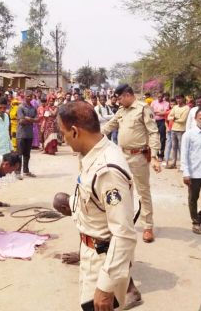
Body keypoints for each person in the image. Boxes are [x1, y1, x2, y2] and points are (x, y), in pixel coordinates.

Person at [57, 101, 137, 310]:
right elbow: (94, 201)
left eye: (63, 133)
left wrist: (106, 285)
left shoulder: (107, 169)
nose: (63, 140)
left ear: (75, 131)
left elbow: (124, 233)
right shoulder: (93, 154)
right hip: (91, 252)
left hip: (102, 260)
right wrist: (71, 204)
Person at [101, 84, 161, 243]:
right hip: (123, 156)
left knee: (143, 192)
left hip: (139, 156)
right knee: (122, 190)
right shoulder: (121, 111)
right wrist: (91, 136)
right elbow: (108, 126)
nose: (118, 101)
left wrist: (154, 156)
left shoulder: (143, 108)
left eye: (120, 98)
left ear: (128, 95)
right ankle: (124, 223)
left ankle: (147, 226)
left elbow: (153, 132)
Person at [17, 90, 38, 178]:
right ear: (24, 97)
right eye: (28, 96)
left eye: (31, 96)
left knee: (27, 154)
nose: (29, 98)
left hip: (29, 134)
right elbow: (21, 121)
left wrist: (28, 118)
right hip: (21, 133)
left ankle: (26, 171)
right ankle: (18, 172)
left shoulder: (33, 108)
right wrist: (31, 120)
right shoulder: (21, 107)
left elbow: (37, 119)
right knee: (19, 154)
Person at [166, 95, 190, 169]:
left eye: (180, 98)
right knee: (174, 147)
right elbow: (168, 117)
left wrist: (173, 119)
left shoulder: (186, 108)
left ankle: (183, 165)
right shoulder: (175, 107)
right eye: (177, 99)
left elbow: (183, 120)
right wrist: (174, 118)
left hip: (182, 130)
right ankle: (173, 163)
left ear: (183, 99)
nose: (178, 100)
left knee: (181, 148)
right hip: (173, 129)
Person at [150, 92, 170, 160]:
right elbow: (151, 111)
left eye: (161, 97)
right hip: (154, 122)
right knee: (155, 138)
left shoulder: (166, 103)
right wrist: (159, 112)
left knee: (162, 139)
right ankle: (155, 154)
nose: (159, 98)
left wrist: (157, 112)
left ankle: (161, 155)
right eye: (158, 97)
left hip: (162, 122)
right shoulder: (153, 102)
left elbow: (165, 113)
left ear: (163, 97)